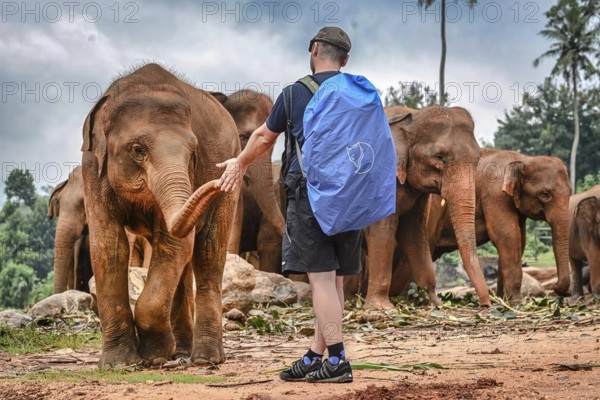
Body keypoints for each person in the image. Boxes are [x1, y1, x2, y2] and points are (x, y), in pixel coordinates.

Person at [217, 26, 360, 384]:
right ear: (345, 60)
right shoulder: (358, 92)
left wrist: (240, 162)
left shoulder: (295, 94)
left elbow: (265, 135)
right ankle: (316, 356)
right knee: (336, 279)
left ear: (314, 50)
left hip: (311, 195)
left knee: (322, 280)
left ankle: (338, 360)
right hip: (351, 195)